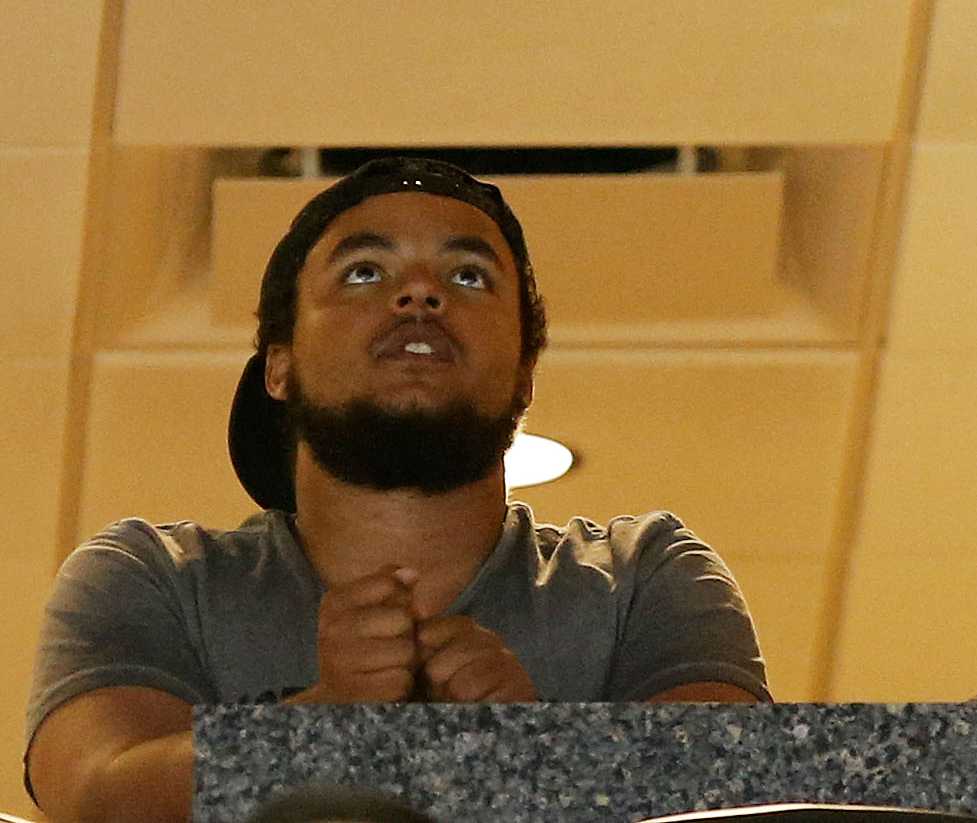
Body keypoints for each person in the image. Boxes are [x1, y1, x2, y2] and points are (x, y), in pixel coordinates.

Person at [26, 157, 770, 823]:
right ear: (277, 365)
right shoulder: (153, 578)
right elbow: (94, 797)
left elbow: (749, 802)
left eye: (469, 276)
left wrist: (528, 747)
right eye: (364, 272)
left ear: (523, 376)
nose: (420, 293)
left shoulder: (645, 575)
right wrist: (328, 719)